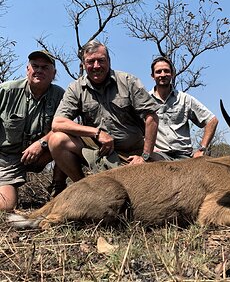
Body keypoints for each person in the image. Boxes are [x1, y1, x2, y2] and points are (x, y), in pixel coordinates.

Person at [49, 39, 159, 182]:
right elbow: (57, 123)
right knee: (57, 140)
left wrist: (145, 156)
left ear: (109, 61)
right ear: (83, 64)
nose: (96, 66)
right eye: (90, 61)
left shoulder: (128, 81)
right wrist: (97, 133)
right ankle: (83, 186)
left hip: (132, 155)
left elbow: (152, 117)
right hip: (98, 152)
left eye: (101, 60)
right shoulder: (75, 88)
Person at [0, 50, 66, 211]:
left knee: (65, 139)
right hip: (7, 158)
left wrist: (41, 143)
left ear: (54, 73)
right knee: (6, 206)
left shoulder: (60, 95)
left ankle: (58, 189)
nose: (39, 70)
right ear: (27, 69)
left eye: (45, 67)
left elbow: (65, 125)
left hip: (41, 155)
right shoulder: (7, 90)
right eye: (35, 66)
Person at [149, 56, 218, 160]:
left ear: (172, 74)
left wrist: (202, 149)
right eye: (158, 72)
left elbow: (212, 121)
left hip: (183, 156)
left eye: (166, 71)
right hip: (158, 156)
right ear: (152, 76)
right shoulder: (145, 100)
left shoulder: (185, 99)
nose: (163, 75)